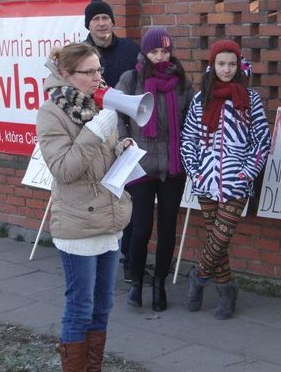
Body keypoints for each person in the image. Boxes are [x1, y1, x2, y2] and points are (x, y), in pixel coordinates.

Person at [36, 43, 133, 370]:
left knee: (103, 306)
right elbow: (64, 170)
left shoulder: (93, 104)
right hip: (78, 225)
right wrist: (95, 132)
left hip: (107, 219)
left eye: (99, 71)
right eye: (89, 72)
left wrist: (119, 149)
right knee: (80, 307)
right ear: (66, 75)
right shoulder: (51, 113)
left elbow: (96, 162)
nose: (98, 78)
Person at [181, 40, 271, 320]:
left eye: (232, 64)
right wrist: (195, 172)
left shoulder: (250, 98)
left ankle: (198, 276)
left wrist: (247, 172)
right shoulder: (201, 99)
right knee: (214, 239)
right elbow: (188, 139)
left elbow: (262, 141)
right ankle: (226, 291)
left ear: (238, 65)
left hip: (237, 181)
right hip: (205, 180)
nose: (227, 69)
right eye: (221, 64)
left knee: (221, 236)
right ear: (212, 65)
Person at [116, 28, 195, 312]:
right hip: (141, 163)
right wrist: (123, 139)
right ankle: (137, 280)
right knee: (140, 228)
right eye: (154, 52)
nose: (160, 57)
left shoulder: (182, 82)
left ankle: (160, 282)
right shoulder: (132, 79)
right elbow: (117, 113)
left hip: (174, 166)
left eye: (164, 52)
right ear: (145, 53)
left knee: (167, 229)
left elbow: (192, 120)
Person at [83, 0, 142, 285]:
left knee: (126, 196)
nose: (102, 23)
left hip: (126, 134)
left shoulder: (132, 49)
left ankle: (130, 261)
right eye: (96, 19)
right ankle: (95, 258)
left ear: (113, 22)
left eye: (105, 17)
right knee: (96, 196)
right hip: (92, 135)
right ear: (89, 24)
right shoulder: (78, 53)